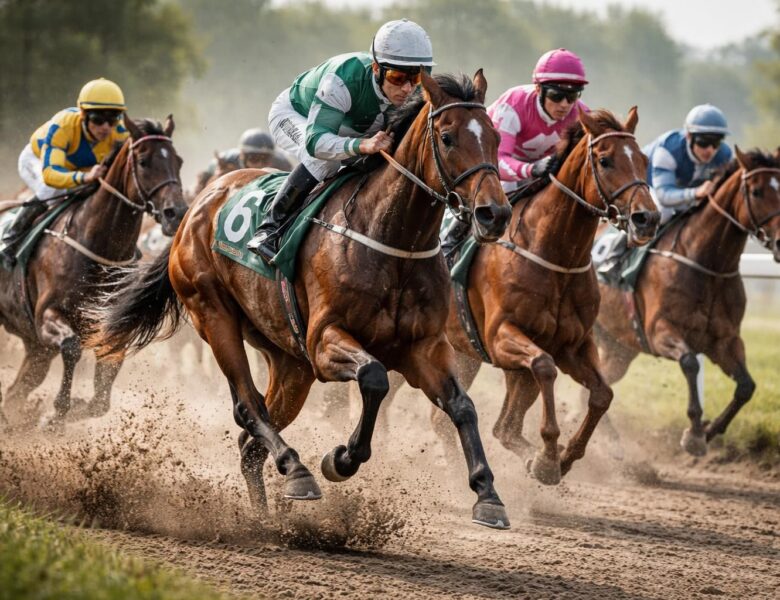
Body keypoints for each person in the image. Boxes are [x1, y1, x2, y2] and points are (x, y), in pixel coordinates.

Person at [246, 18, 435, 264]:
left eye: (417, 78)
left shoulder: (415, 90)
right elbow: (317, 142)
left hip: (350, 125)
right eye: (397, 77)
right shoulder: (344, 78)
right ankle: (269, 229)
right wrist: (362, 146)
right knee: (323, 161)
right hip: (297, 117)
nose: (408, 88)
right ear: (377, 69)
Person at [440, 48, 589, 259]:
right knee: (497, 194)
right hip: (490, 164)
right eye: (557, 95)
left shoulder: (581, 114)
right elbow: (498, 161)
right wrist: (531, 168)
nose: (565, 104)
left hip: (538, 170)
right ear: (539, 88)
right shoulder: (514, 105)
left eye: (572, 95)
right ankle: (450, 244)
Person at [0, 78, 128, 268]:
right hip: (37, 162)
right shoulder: (63, 126)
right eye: (98, 119)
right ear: (83, 115)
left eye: (113, 119)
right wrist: (85, 177)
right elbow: (51, 175)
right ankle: (10, 239)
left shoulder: (120, 133)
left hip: (76, 169)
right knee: (49, 192)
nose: (106, 127)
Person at [644, 103, 732, 225]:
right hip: (647, 184)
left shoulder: (724, 154)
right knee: (663, 213)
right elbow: (664, 196)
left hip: (681, 188)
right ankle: (622, 242)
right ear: (689, 136)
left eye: (716, 143)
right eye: (703, 142)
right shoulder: (669, 150)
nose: (710, 150)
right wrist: (696, 193)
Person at [192, 128, 293, 196]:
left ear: (272, 157)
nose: (259, 164)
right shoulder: (227, 160)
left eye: (265, 159)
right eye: (254, 158)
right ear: (242, 155)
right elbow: (206, 178)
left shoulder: (283, 164)